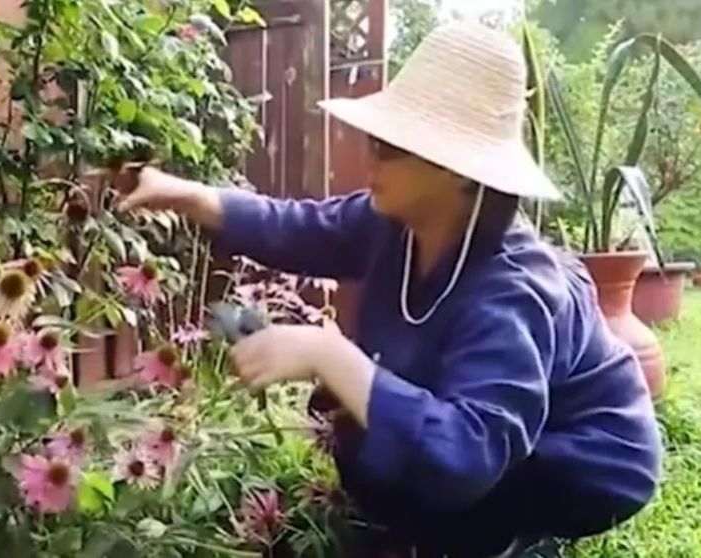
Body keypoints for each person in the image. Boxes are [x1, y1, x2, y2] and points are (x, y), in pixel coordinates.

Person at [119, 22, 662, 558]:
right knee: (371, 435)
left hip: (578, 459)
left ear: (461, 172)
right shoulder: (393, 223)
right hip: (490, 434)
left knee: (442, 475)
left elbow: (468, 454)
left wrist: (326, 352)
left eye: (392, 145)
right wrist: (184, 194)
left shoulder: (513, 291)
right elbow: (298, 226)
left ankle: (512, 542)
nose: (371, 154)